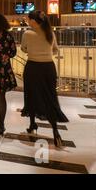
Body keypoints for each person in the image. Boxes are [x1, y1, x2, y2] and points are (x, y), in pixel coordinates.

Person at [20, 10, 68, 147]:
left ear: (34, 21)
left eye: (29, 20)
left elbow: (23, 49)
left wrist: (33, 51)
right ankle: (55, 131)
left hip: (33, 68)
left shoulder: (28, 34)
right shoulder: (50, 33)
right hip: (48, 68)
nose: (28, 22)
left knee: (32, 95)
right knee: (50, 97)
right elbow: (55, 50)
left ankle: (32, 124)